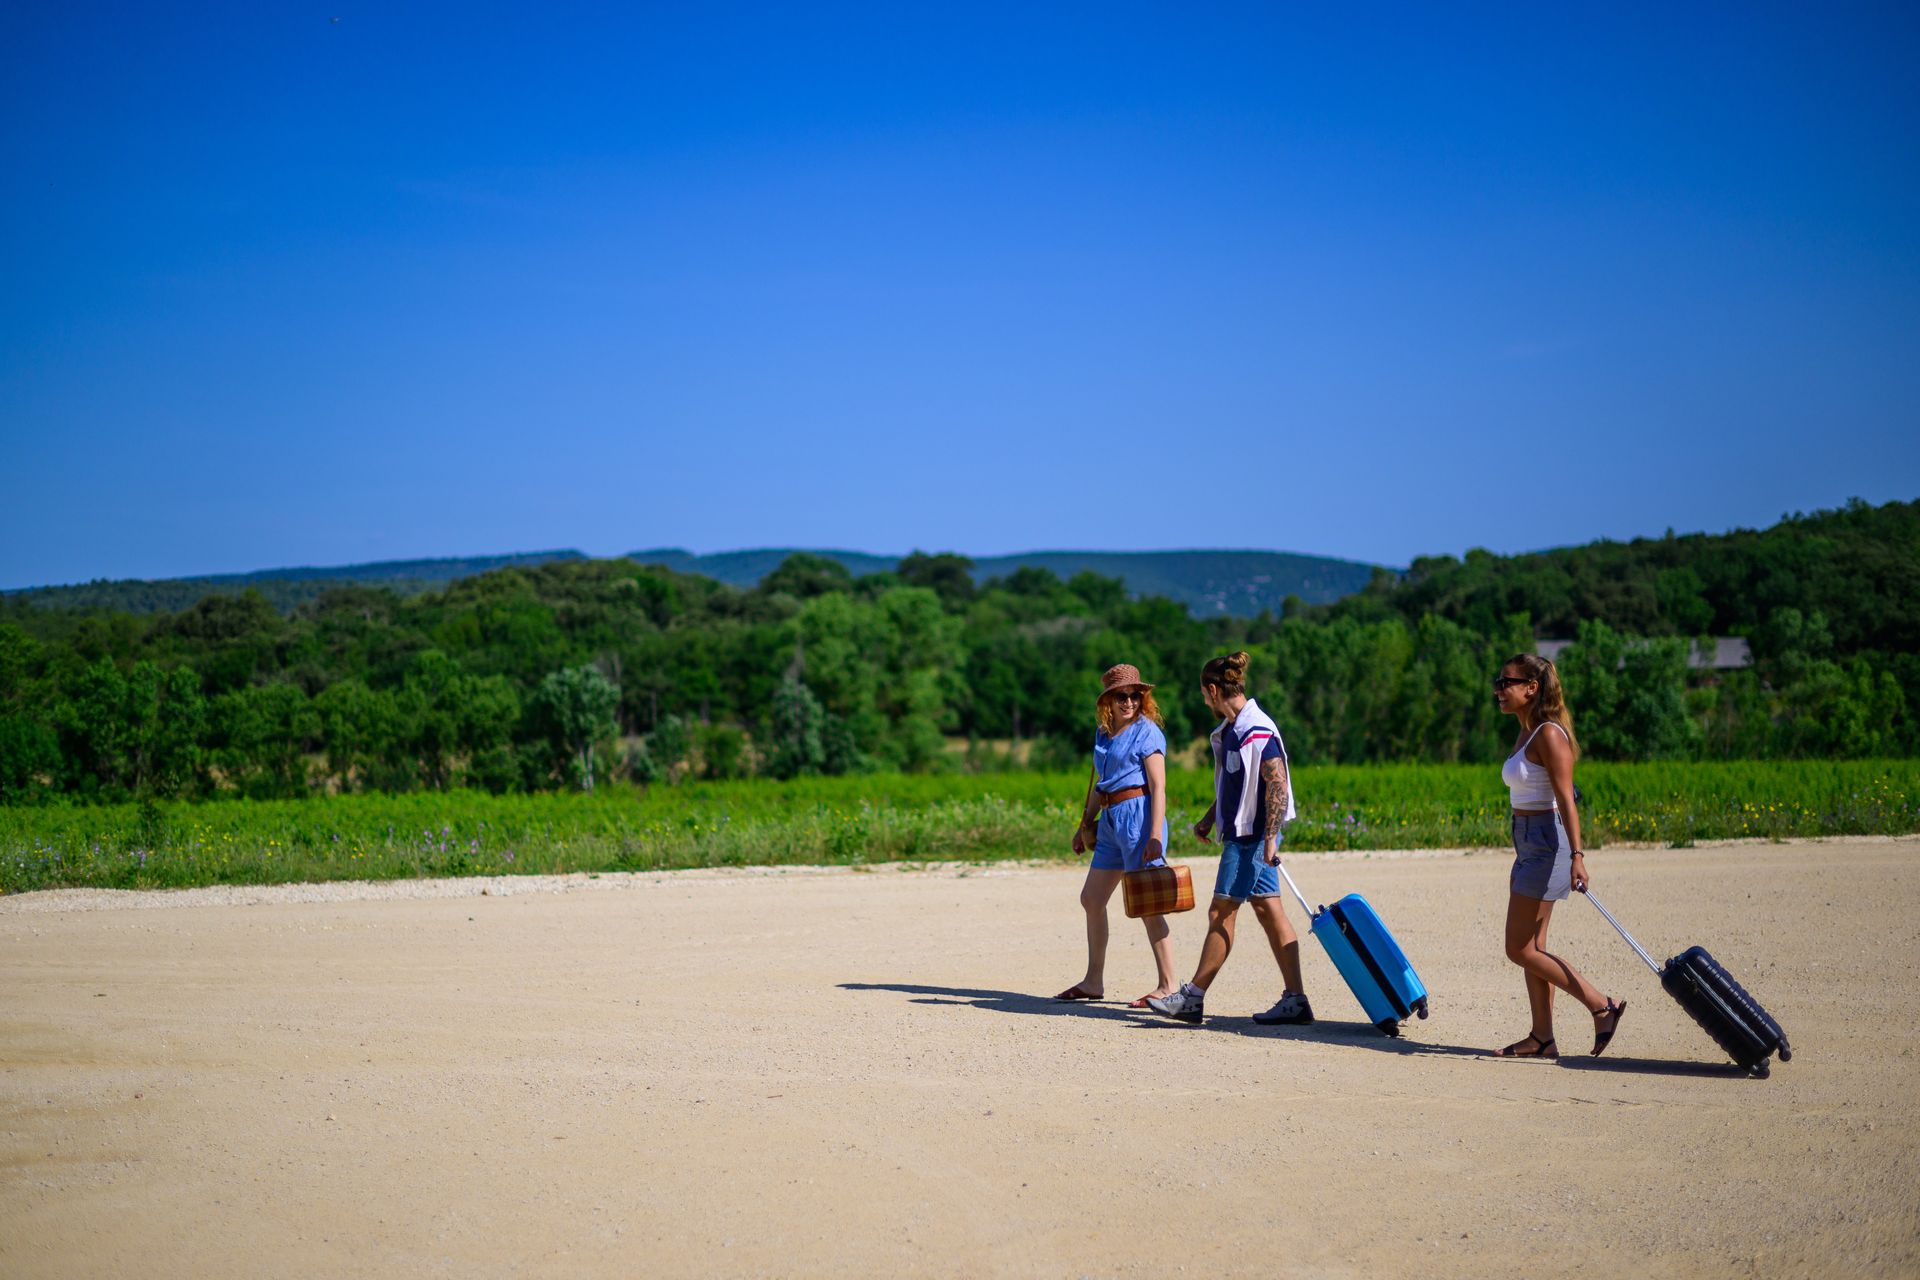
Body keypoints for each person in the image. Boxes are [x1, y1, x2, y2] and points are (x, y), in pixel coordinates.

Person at [1147, 651, 1312, 1027]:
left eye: (1205, 695)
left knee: (1221, 912)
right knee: (1270, 911)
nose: (1204, 702)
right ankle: (1296, 1001)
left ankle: (1192, 999)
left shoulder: (1256, 729)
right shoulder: (1234, 729)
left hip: (1250, 839)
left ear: (1213, 689)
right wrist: (1210, 816)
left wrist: (1269, 839)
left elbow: (1277, 783)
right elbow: (1238, 783)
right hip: (1247, 834)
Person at [1491, 653, 1626, 1059]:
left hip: (1548, 842)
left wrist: (1578, 855)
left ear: (1532, 687)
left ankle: (1601, 1006)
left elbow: (1567, 799)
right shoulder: (1526, 732)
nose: (1498, 689)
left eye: (1506, 682)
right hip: (1528, 840)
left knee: (1519, 949)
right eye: (1497, 682)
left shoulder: (1550, 734)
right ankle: (1542, 1039)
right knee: (1535, 945)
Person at [1054, 664, 1179, 1007]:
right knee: (1092, 899)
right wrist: (1085, 823)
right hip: (1109, 820)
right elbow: (1100, 785)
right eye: (1121, 695)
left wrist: (1155, 833)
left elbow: (1159, 786)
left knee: (1148, 904)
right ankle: (1094, 981)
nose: (1129, 701)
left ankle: (1169, 985)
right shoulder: (1104, 734)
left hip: (1139, 817)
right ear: (1108, 700)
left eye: (1135, 695)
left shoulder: (1147, 732)